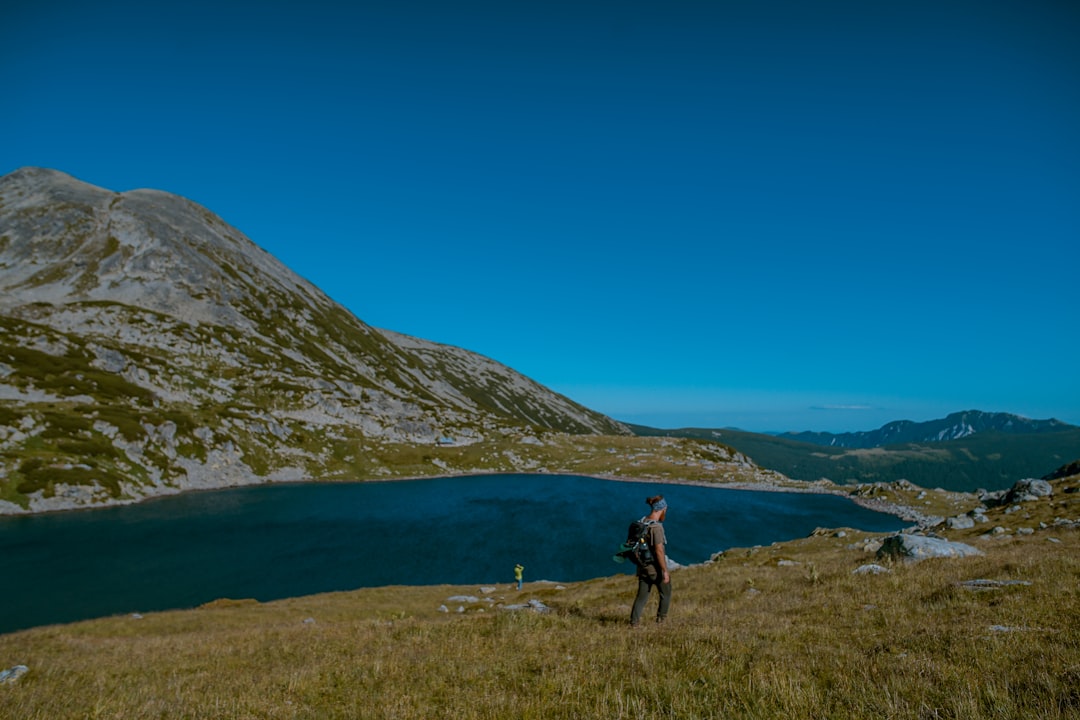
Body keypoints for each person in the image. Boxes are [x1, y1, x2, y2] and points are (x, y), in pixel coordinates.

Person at [630, 495, 671, 626]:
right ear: (662, 509)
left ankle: (634, 623)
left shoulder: (642, 522)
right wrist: (664, 571)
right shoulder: (656, 528)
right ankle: (661, 622)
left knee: (641, 597)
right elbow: (659, 551)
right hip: (654, 568)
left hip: (642, 566)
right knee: (666, 593)